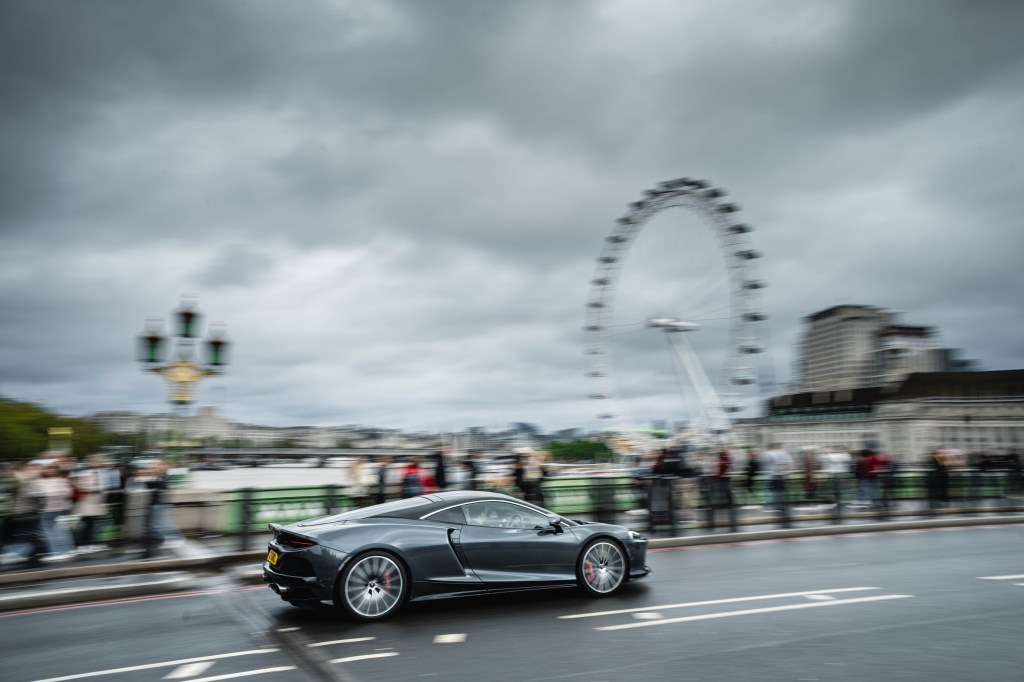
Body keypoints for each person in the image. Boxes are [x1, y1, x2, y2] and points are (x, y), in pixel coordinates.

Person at [760, 443, 793, 512]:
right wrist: (784, 472)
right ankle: (777, 506)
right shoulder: (776, 454)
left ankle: (770, 504)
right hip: (777, 474)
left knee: (772, 491)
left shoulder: (765, 454)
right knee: (777, 491)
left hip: (769, 475)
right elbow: (780, 465)